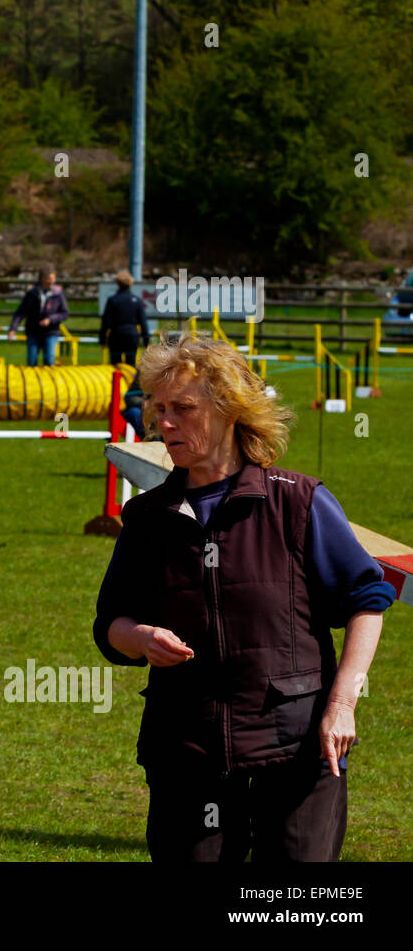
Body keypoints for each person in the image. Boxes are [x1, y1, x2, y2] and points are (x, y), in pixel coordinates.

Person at [93, 336, 394, 862]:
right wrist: (140, 638)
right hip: (186, 748)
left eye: (182, 408)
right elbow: (110, 623)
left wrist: (342, 705)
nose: (164, 423)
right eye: (159, 409)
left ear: (230, 410)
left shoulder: (298, 501)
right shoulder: (147, 517)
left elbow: (366, 597)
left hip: (297, 748)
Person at [8, 269, 68, 366]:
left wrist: (50, 320)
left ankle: (49, 380)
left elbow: (65, 313)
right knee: (31, 361)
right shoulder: (32, 294)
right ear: (42, 279)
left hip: (51, 332)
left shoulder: (58, 294)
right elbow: (20, 312)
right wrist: (13, 329)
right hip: (33, 332)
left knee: (49, 360)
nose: (51, 281)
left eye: (53, 278)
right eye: (49, 279)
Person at [100, 270, 149, 365]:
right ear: (131, 284)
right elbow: (143, 322)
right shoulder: (137, 300)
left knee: (115, 364)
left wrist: (102, 339)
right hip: (132, 336)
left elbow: (105, 322)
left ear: (118, 284)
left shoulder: (112, 300)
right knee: (130, 364)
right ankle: (130, 379)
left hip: (116, 335)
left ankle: (117, 379)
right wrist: (146, 340)